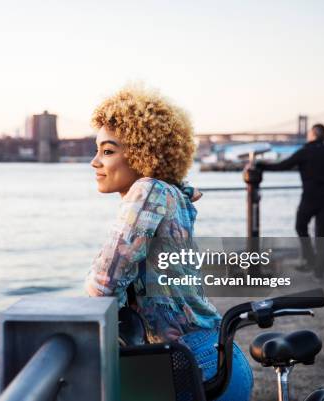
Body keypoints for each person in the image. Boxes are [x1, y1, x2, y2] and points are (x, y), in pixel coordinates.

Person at [84, 85, 253, 401]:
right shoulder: (170, 193)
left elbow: (103, 283)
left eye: (107, 151)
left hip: (194, 368)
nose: (95, 162)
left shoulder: (148, 191)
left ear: (140, 153)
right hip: (211, 356)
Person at [256, 124, 324, 280]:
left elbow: (282, 166)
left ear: (313, 135)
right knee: (322, 236)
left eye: (309, 133)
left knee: (300, 226)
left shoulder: (304, 152)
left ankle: (310, 258)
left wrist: (261, 166)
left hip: (309, 197)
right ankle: (319, 273)